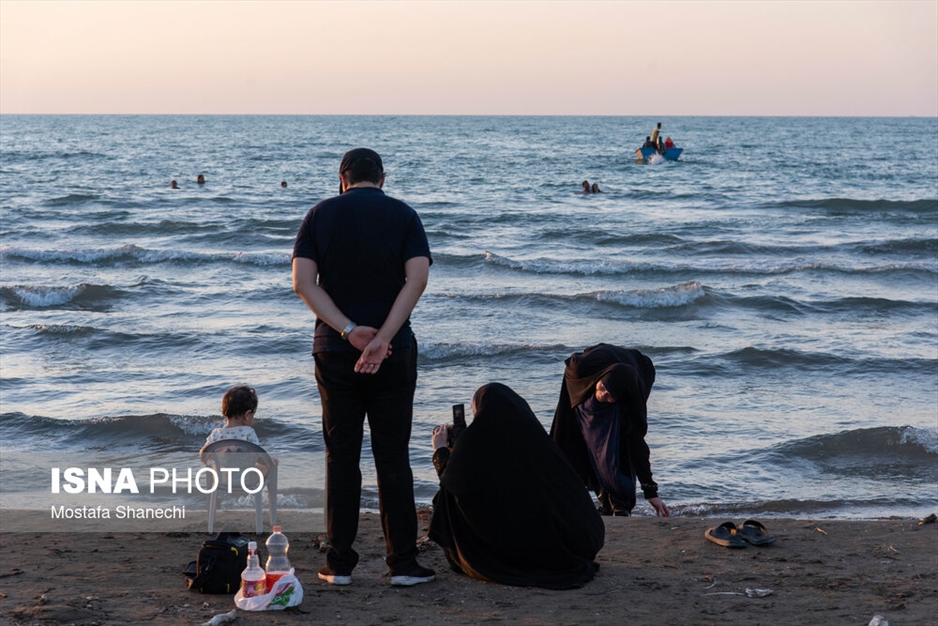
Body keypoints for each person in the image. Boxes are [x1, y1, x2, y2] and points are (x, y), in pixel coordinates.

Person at [292, 147, 434, 587]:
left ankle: (339, 564)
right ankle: (403, 565)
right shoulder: (404, 215)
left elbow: (302, 283)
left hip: (335, 352)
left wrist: (350, 330)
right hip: (395, 353)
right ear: (383, 178)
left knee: (342, 456)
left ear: (342, 178)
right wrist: (384, 337)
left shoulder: (319, 215)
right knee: (393, 455)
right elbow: (418, 279)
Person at [428, 383, 604, 589]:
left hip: (537, 551)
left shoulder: (474, 443)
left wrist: (440, 450)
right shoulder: (536, 440)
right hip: (581, 542)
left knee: (445, 498)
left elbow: (454, 483)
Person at [550, 344, 670, 518]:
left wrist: (650, 492)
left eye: (609, 396)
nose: (602, 396)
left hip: (637, 371)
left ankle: (619, 502)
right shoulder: (579, 371)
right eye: (602, 390)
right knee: (581, 438)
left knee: (620, 438)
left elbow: (638, 444)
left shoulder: (629, 397)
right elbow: (573, 366)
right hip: (592, 372)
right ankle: (606, 500)